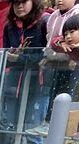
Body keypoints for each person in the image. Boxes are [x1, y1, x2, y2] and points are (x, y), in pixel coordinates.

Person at [0, 0, 49, 144]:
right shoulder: (9, 26)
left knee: (32, 133)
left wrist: (22, 57)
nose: (20, 6)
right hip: (13, 85)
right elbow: (6, 52)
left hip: (37, 85)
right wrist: (10, 56)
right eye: (16, 3)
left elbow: (46, 54)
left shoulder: (44, 22)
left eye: (24, 2)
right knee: (11, 130)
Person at [33, 0, 79, 135]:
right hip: (56, 62)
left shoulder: (76, 13)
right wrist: (60, 42)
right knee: (54, 93)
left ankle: (58, 124)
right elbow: (53, 40)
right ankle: (49, 123)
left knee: (65, 93)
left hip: (70, 65)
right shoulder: (54, 16)